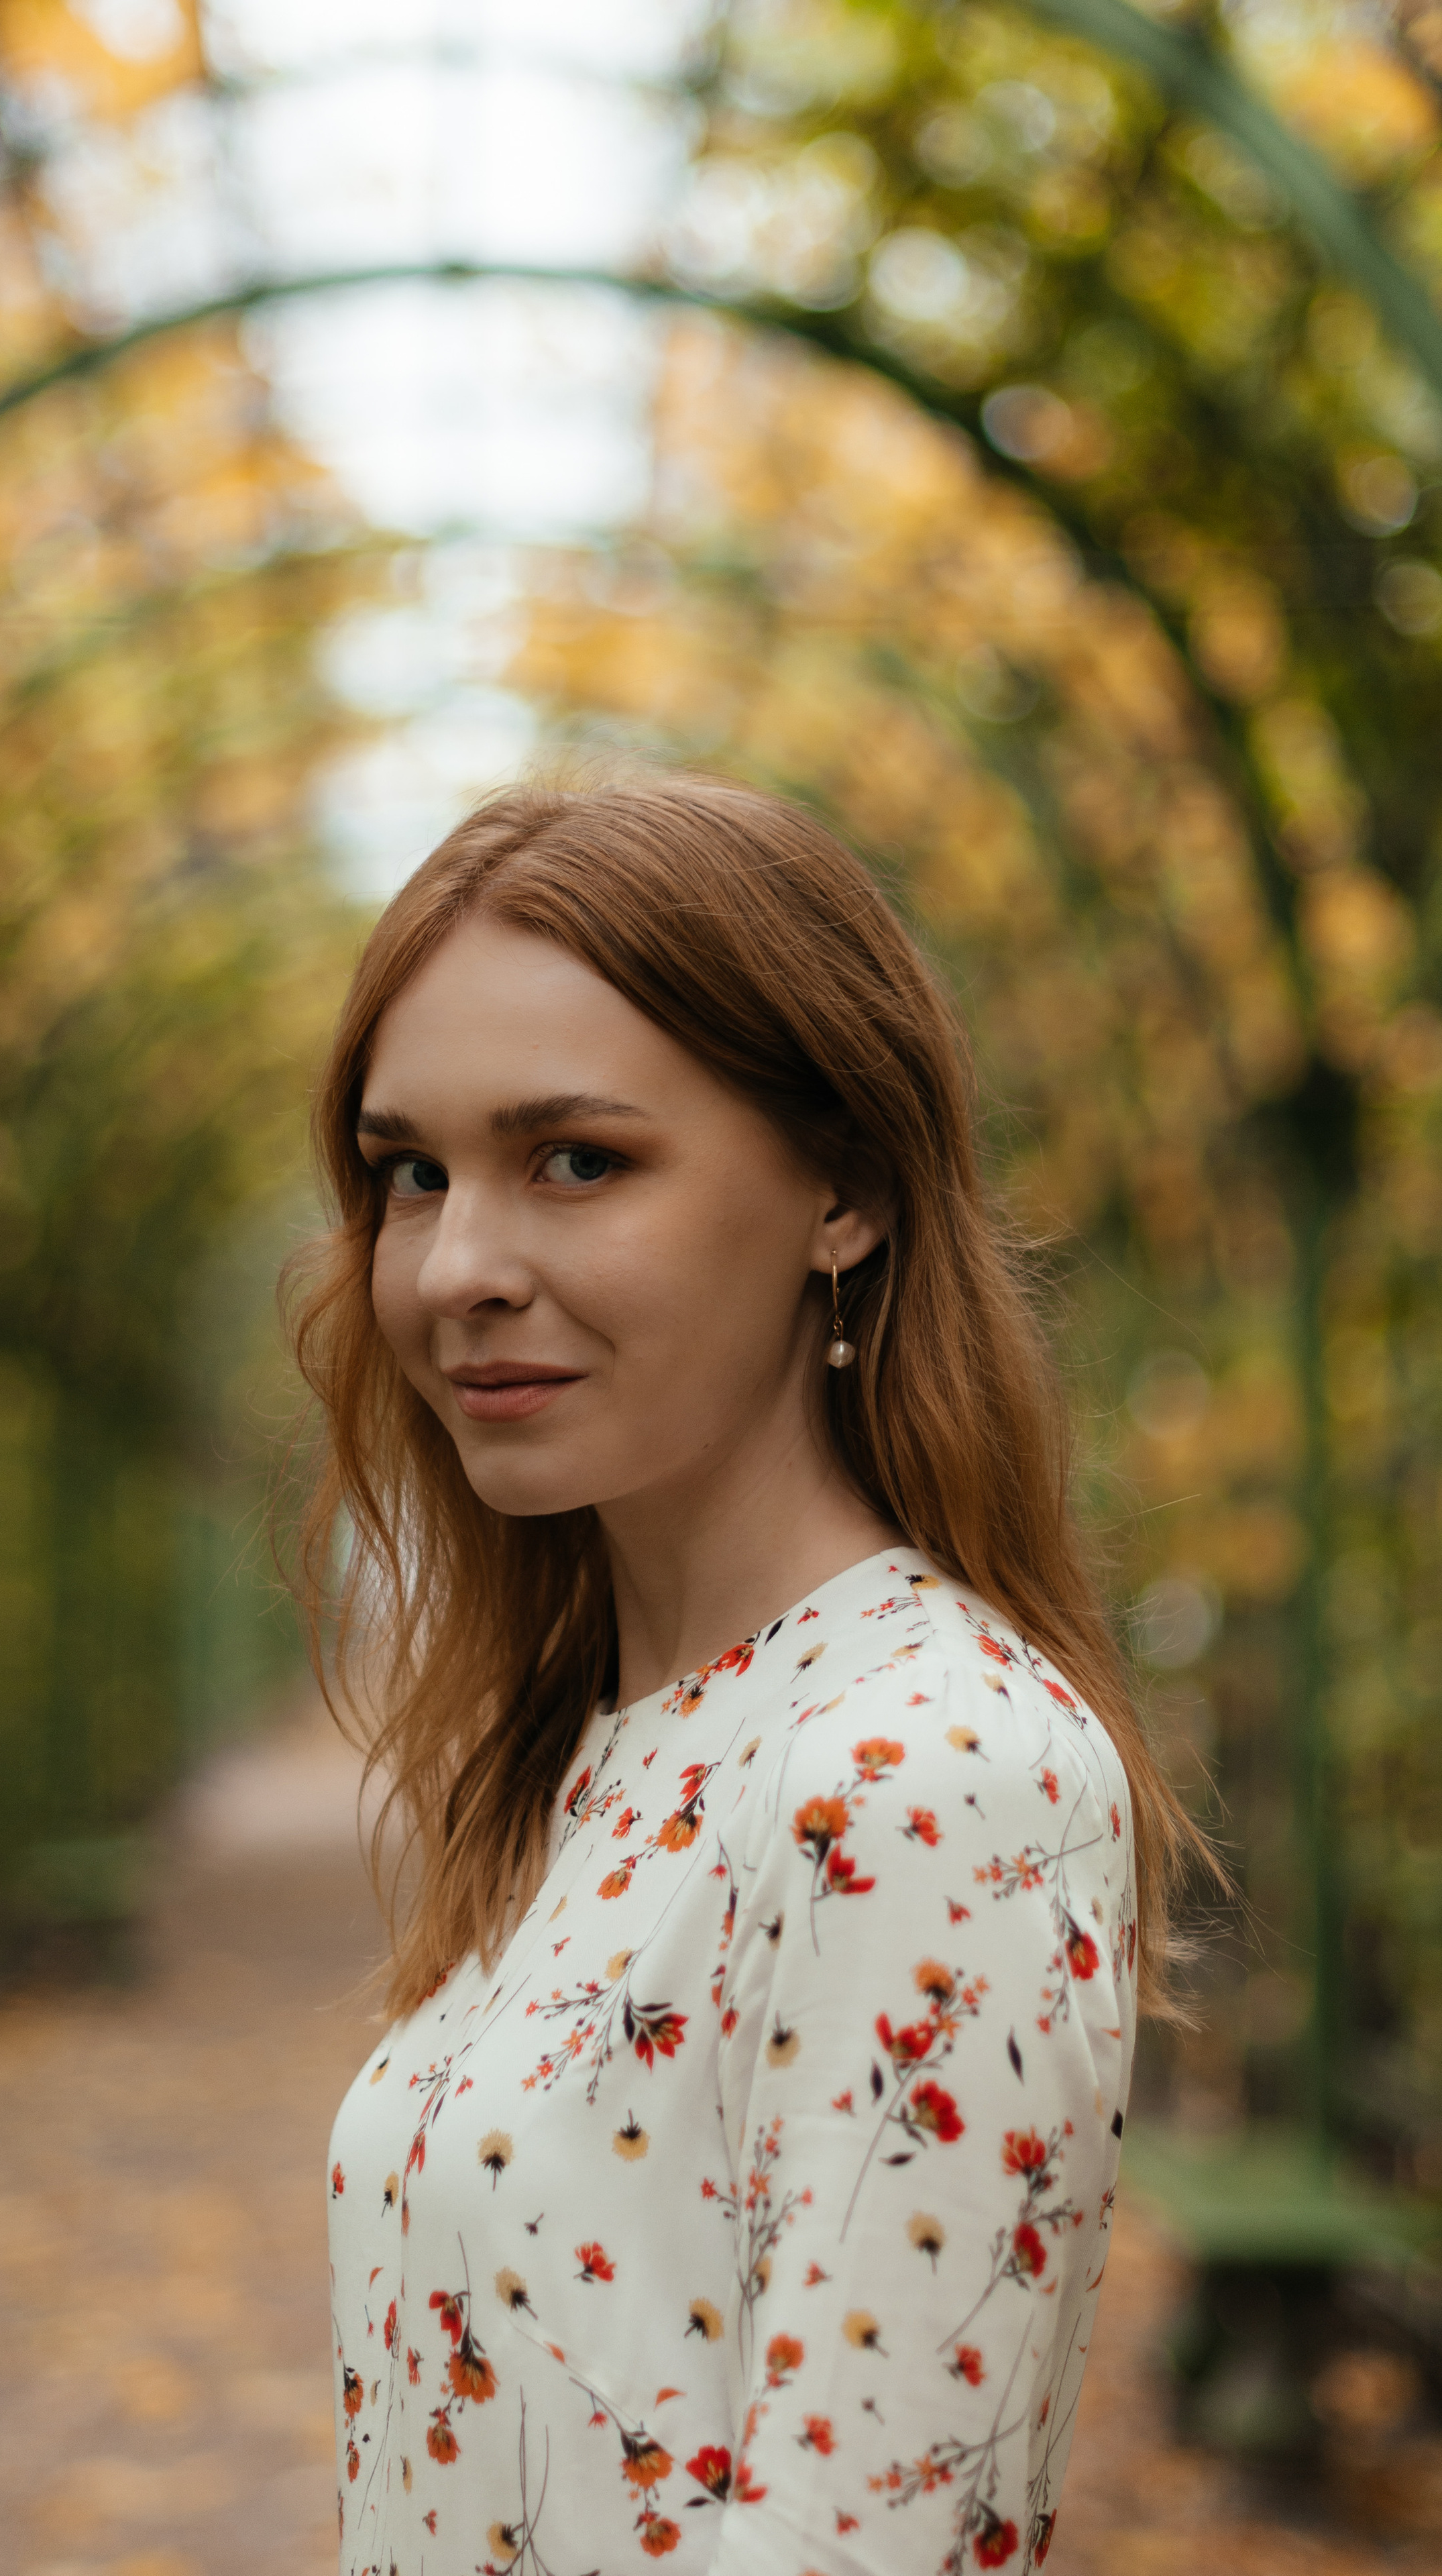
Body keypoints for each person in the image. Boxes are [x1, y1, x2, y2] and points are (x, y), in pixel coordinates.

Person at [290, 775, 1195, 2576]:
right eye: (414, 1174)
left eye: (579, 1158)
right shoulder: (623, 1747)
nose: (458, 1267)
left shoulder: (927, 1770)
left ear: (842, 1191)